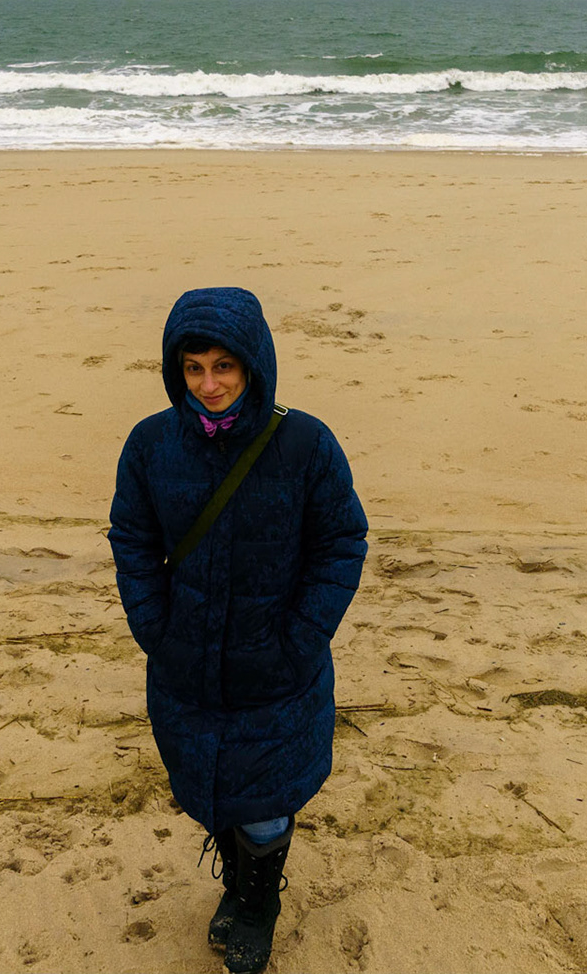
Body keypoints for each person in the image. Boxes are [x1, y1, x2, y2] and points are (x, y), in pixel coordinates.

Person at [108, 287, 369, 974]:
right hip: (184, 664)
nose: (210, 384)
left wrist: (299, 640)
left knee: (264, 806)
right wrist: (154, 627)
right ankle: (238, 883)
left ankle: (259, 904)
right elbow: (131, 538)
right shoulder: (150, 446)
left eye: (224, 366)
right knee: (214, 793)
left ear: (253, 363)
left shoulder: (306, 445)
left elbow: (342, 543)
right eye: (193, 368)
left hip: (277, 669)